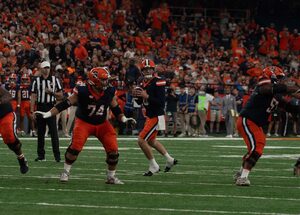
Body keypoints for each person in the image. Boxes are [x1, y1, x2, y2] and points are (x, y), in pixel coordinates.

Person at [34, 67, 136, 184]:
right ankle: (66, 171)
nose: (106, 82)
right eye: (103, 80)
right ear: (95, 80)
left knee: (113, 151)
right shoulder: (83, 90)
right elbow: (65, 103)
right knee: (75, 149)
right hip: (84, 123)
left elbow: (115, 107)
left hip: (102, 123)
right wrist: (48, 113)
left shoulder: (109, 90)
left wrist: (124, 119)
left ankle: (111, 176)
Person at [234, 66, 300, 186]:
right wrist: (290, 89)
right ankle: (242, 178)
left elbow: (290, 108)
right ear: (272, 76)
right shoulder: (264, 85)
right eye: (279, 78)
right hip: (248, 120)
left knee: (256, 148)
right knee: (257, 148)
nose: (281, 80)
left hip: (255, 123)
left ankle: (240, 173)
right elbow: (270, 88)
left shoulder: (276, 93)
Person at [132, 59, 177, 176]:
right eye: (145, 69)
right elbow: (140, 100)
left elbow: (161, 102)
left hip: (156, 115)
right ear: (142, 71)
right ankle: (169, 159)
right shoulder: (141, 82)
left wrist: (146, 96)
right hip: (150, 115)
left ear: (153, 70)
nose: (147, 71)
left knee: (141, 140)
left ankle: (153, 165)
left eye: (149, 69)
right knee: (151, 141)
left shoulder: (159, 81)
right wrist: (137, 97)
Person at [30, 61, 63, 162]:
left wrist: (52, 93)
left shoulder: (54, 79)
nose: (46, 69)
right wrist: (32, 111)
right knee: (40, 133)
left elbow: (61, 95)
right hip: (40, 107)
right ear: (41, 69)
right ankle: (41, 156)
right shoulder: (36, 80)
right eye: (44, 67)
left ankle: (57, 156)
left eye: (48, 67)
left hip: (50, 108)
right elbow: (33, 96)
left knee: (54, 132)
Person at [0, 86, 29, 174]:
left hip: (5, 114)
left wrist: (1, 101)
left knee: (10, 139)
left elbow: (8, 95)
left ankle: (21, 158)